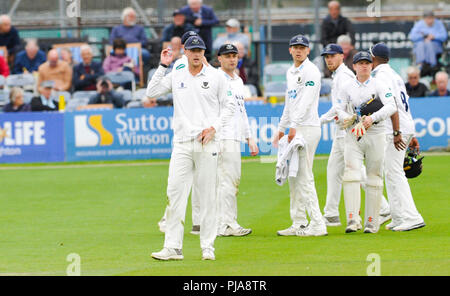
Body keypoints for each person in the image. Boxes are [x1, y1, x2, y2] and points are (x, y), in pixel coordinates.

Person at [147, 36, 235, 261]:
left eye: (200, 50)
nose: (196, 54)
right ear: (184, 51)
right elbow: (152, 92)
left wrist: (214, 128)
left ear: (204, 52)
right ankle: (173, 247)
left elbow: (229, 107)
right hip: (182, 143)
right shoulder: (177, 74)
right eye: (192, 50)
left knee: (207, 197)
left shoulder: (216, 76)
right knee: (175, 194)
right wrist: (163, 65)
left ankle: (207, 246)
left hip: (207, 143)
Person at [318, 44, 391, 227]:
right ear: (355, 65)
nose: (329, 59)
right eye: (326, 56)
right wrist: (342, 118)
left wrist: (321, 120)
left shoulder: (345, 77)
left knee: (356, 172)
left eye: (332, 56)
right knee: (336, 170)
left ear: (342, 57)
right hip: (347, 128)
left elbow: (344, 108)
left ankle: (381, 209)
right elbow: (340, 109)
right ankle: (332, 213)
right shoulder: (341, 78)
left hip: (354, 132)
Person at [335, 51, 397, 234]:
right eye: (360, 63)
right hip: (354, 132)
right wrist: (349, 117)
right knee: (351, 174)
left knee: (374, 176)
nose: (364, 66)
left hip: (376, 132)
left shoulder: (379, 84)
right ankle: (353, 220)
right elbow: (338, 106)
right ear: (354, 66)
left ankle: (372, 222)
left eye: (367, 63)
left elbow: (391, 105)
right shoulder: (346, 86)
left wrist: (373, 118)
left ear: (371, 65)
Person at [273, 35, 327, 237]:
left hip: (308, 128)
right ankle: (299, 222)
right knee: (293, 176)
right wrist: (281, 127)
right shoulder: (291, 72)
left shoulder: (311, 71)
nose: (298, 50)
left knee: (304, 176)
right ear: (289, 50)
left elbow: (307, 100)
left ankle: (318, 223)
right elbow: (290, 101)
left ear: (308, 50)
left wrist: (293, 126)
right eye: (295, 47)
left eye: (302, 47)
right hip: (296, 128)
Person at [370, 42, 426, 232]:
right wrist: (412, 134)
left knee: (394, 172)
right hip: (405, 124)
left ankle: (412, 217)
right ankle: (398, 216)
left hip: (396, 128)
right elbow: (404, 103)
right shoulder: (394, 74)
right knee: (391, 170)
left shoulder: (380, 76)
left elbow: (392, 104)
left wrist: (396, 132)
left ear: (373, 58)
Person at [216, 43, 259, 237]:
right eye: (227, 56)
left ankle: (223, 223)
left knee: (230, 181)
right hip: (222, 136)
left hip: (234, 136)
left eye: (234, 56)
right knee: (227, 181)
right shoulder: (216, 78)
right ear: (220, 59)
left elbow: (242, 111)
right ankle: (226, 224)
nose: (232, 59)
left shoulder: (239, 81)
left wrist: (249, 137)